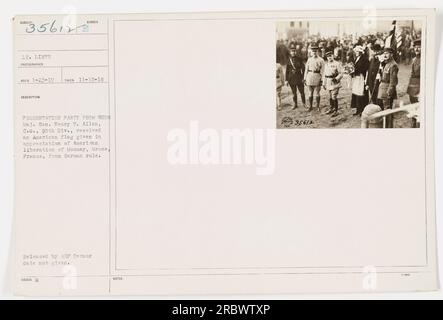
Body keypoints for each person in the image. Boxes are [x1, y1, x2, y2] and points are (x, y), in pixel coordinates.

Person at [377, 47, 399, 128]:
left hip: (387, 91)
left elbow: (393, 82)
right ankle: (385, 126)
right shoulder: (386, 63)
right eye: (384, 53)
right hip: (382, 89)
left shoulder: (393, 65)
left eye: (387, 53)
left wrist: (389, 92)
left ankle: (388, 128)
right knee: (384, 110)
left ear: (391, 54)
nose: (385, 55)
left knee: (387, 111)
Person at [304, 44, 324, 112]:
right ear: (311, 52)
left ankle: (318, 106)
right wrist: (304, 78)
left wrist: (322, 79)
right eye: (313, 51)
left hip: (317, 76)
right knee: (310, 92)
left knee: (317, 92)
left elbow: (323, 71)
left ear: (318, 52)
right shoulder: (309, 60)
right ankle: (310, 106)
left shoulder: (321, 60)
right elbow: (306, 69)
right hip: (309, 76)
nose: (314, 53)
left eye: (316, 51)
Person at [285, 42, 306, 109]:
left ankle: (304, 104)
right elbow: (287, 71)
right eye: (292, 51)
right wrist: (286, 80)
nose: (293, 53)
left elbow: (304, 69)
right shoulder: (289, 60)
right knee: (294, 93)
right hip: (291, 78)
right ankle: (295, 104)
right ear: (290, 53)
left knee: (302, 92)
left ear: (296, 52)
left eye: (294, 51)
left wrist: (303, 78)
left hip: (299, 78)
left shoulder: (299, 59)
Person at [350, 45, 369, 116]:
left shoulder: (365, 59)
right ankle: (358, 109)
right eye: (356, 51)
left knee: (361, 93)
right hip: (356, 78)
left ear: (361, 52)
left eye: (358, 51)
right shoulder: (356, 58)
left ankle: (363, 109)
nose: (356, 52)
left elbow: (365, 69)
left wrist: (355, 71)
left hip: (362, 78)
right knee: (356, 93)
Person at [323, 51, 343, 117]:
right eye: (328, 56)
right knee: (330, 96)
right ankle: (332, 108)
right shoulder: (326, 64)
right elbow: (325, 74)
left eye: (330, 56)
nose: (329, 58)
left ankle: (336, 110)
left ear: (333, 56)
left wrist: (337, 78)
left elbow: (341, 73)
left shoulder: (337, 63)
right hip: (328, 81)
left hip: (335, 81)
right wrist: (324, 83)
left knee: (334, 96)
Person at [407, 39, 421, 128]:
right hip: (412, 86)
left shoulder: (425, 59)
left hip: (420, 86)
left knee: (419, 106)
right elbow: (412, 74)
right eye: (415, 47)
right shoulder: (414, 59)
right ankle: (414, 121)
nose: (416, 49)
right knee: (413, 105)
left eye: (419, 47)